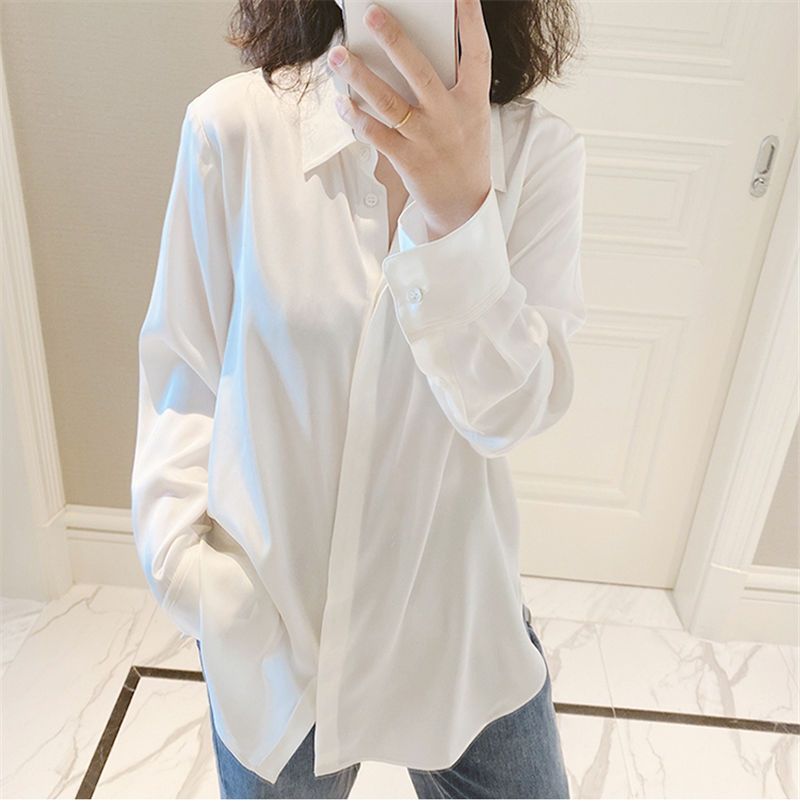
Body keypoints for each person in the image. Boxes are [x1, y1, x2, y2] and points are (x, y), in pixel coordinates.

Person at [131, 0, 584, 799]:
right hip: (276, 635)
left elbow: (508, 414)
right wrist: (193, 579)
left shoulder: (537, 155)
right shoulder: (232, 129)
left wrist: (458, 215)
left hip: (456, 624)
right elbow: (184, 368)